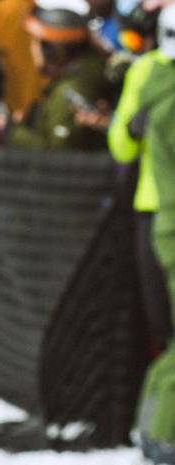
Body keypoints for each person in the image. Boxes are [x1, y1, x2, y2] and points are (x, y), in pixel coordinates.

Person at [109, 1, 175, 356]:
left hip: (162, 212)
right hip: (153, 208)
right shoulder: (147, 72)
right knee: (161, 319)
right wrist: (134, 129)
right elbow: (121, 148)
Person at [7, 0, 117, 148]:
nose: (32, 50)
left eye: (35, 42)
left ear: (53, 50)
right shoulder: (81, 76)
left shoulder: (71, 90)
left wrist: (13, 131)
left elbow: (57, 157)